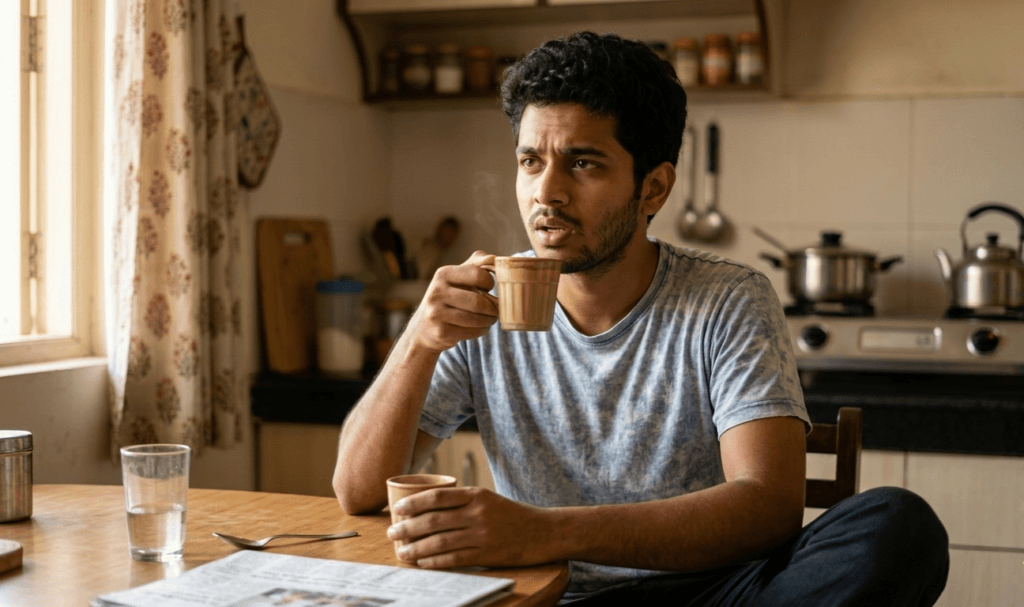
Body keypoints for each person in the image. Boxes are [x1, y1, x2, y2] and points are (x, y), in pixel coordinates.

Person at [333, 31, 949, 606]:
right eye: (529, 163)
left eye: (582, 163)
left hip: (714, 591)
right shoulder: (483, 301)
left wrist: (544, 532)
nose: (546, 193)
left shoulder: (727, 300)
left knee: (897, 525)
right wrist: (418, 338)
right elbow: (356, 491)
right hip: (555, 596)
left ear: (653, 189)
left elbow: (768, 508)